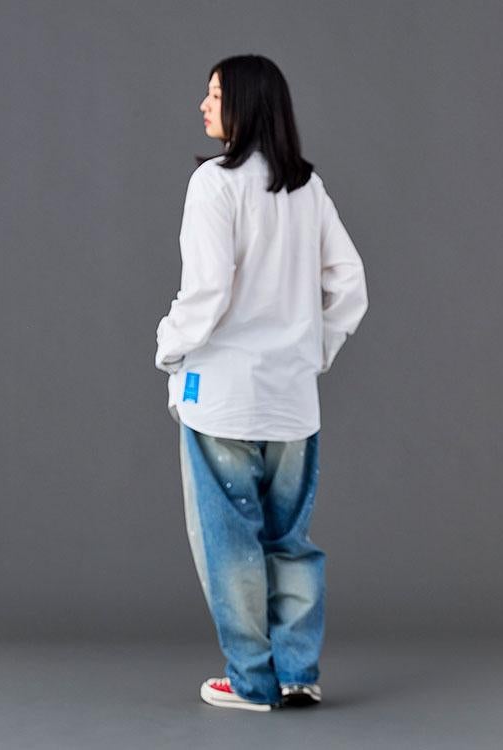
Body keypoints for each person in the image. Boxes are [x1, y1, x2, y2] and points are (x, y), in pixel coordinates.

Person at [154, 55, 369, 711]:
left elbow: (207, 290)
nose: (203, 104)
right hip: (291, 400)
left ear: (246, 103)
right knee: (289, 539)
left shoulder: (214, 184)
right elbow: (350, 285)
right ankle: (298, 672)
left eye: (215, 93)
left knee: (230, 543)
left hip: (222, 395)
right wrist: (315, 350)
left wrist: (169, 346)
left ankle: (250, 681)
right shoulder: (308, 188)